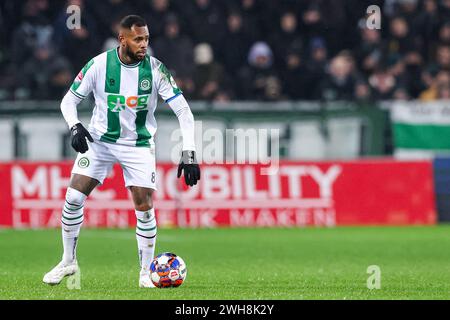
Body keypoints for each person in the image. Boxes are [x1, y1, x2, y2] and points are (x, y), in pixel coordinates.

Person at [42, 15, 200, 288]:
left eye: (147, 39)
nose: (143, 44)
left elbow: (184, 111)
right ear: (122, 39)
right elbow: (68, 101)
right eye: (138, 39)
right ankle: (68, 261)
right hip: (100, 141)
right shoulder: (99, 65)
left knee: (144, 206)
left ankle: (145, 273)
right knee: (73, 197)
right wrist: (75, 126)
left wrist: (189, 152)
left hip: (138, 145)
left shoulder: (156, 70)